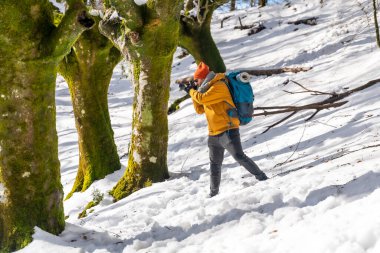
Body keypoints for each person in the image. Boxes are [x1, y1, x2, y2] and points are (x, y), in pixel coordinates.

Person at [183, 62, 268, 197]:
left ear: (204, 78)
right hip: (213, 134)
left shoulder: (219, 86)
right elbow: (199, 109)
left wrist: (191, 91)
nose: (196, 82)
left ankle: (262, 177)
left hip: (228, 130)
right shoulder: (205, 89)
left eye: (197, 80)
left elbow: (203, 99)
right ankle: (213, 193)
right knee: (215, 165)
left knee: (239, 156)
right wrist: (194, 92)